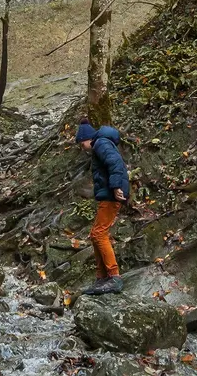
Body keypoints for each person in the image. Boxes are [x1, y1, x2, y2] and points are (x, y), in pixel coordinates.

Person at [77, 121, 129, 294]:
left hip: (112, 194)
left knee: (99, 234)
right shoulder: (101, 143)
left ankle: (114, 277)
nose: (82, 147)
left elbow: (115, 164)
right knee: (95, 234)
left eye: (81, 143)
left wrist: (115, 187)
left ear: (86, 139)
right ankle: (102, 278)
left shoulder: (100, 143)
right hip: (109, 193)